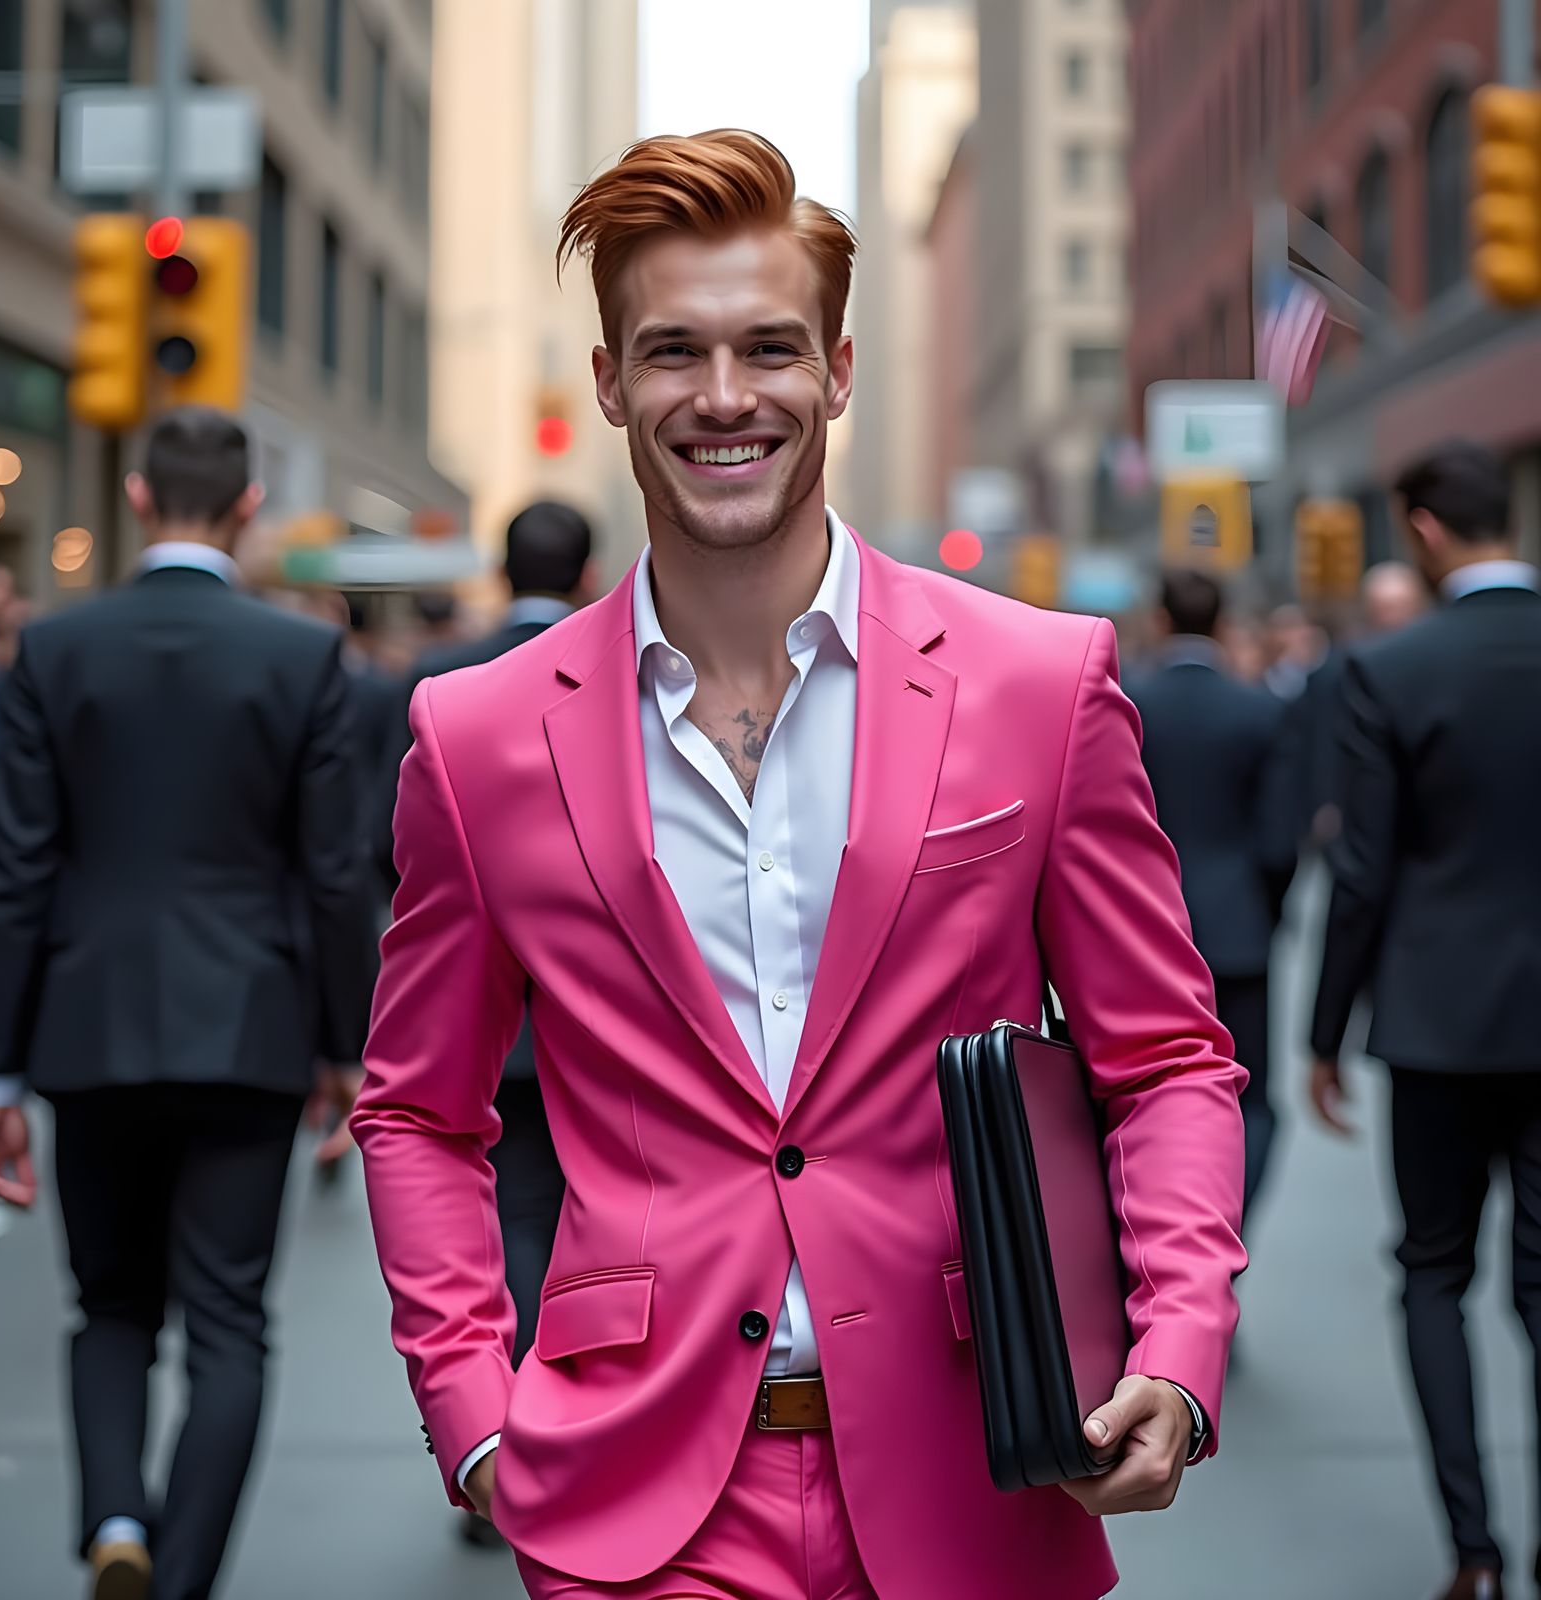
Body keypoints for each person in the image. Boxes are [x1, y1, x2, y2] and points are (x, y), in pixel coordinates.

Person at [353, 130, 1246, 1600]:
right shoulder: (476, 733)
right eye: (671, 352)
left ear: (836, 371)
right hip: (635, 1503)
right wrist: (470, 1415)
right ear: (607, 385)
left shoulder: (1039, 680)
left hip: (984, 1466)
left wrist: (1181, 1348)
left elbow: (1166, 1059)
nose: (721, 397)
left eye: (768, 348)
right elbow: (418, 1112)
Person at [0, 407, 375, 1600]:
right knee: (230, 1321)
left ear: (138, 497)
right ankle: (182, 1576)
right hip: (250, 1023)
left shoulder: (56, 649)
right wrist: (343, 1045)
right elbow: (335, 873)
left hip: (89, 1025)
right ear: (248, 507)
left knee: (108, 1303)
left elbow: (17, 865)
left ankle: (113, 1523)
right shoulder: (302, 659)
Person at [1309, 441, 1541, 1600]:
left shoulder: (1389, 670)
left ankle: (1475, 1550)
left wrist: (1321, 1036)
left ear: (1425, 530)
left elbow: (1361, 873)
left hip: (1437, 1022)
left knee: (1433, 1273)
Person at [379, 501, 597, 1546]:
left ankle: (509, 1422)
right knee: (573, 1220)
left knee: (511, 1215)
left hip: (486, 1016)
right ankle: (543, 1419)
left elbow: (400, 849)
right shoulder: (615, 673)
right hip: (589, 1024)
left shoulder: (443, 685)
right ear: (585, 565)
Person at [1129, 568, 1298, 1226]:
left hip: (1142, 937)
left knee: (1145, 1092)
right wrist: (1264, 916)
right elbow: (1281, 843)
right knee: (1249, 1098)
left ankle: (1164, 1240)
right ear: (1224, 626)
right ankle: (1223, 1231)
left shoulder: (1127, 702)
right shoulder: (1261, 709)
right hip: (1238, 936)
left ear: (1161, 619)